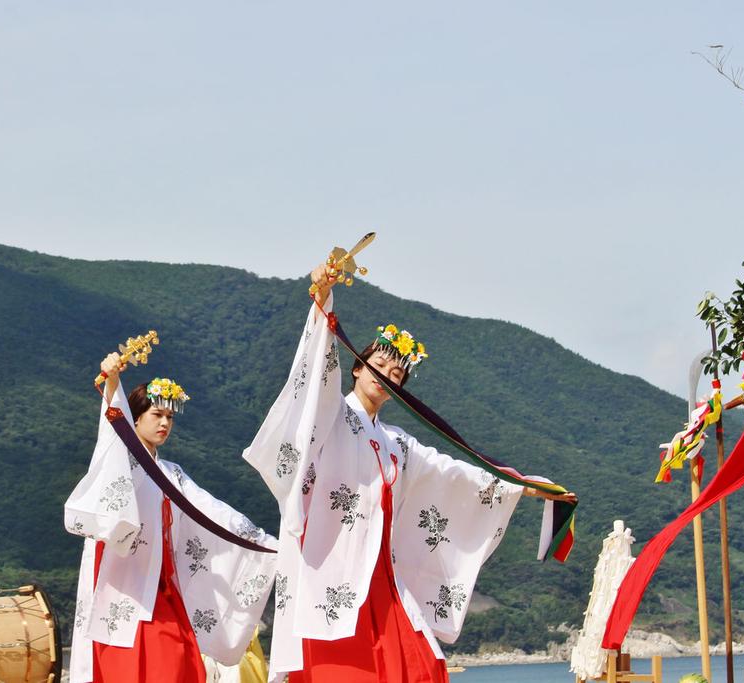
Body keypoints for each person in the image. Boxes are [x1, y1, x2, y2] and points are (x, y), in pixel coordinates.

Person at [243, 263, 576, 682]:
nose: (388, 375)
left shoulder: (397, 442)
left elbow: (453, 474)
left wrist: (522, 489)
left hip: (383, 570)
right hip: (334, 566)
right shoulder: (331, 415)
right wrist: (323, 299)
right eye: (380, 363)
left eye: (398, 374)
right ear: (358, 367)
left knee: (421, 666)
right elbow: (315, 375)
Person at [66, 352, 277, 683]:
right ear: (135, 418)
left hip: (166, 587)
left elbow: (215, 513)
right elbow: (112, 429)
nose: (165, 423)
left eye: (170, 417)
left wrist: (269, 545)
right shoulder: (122, 464)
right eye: (156, 414)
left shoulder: (171, 474)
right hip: (127, 588)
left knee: (181, 663)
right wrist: (112, 383)